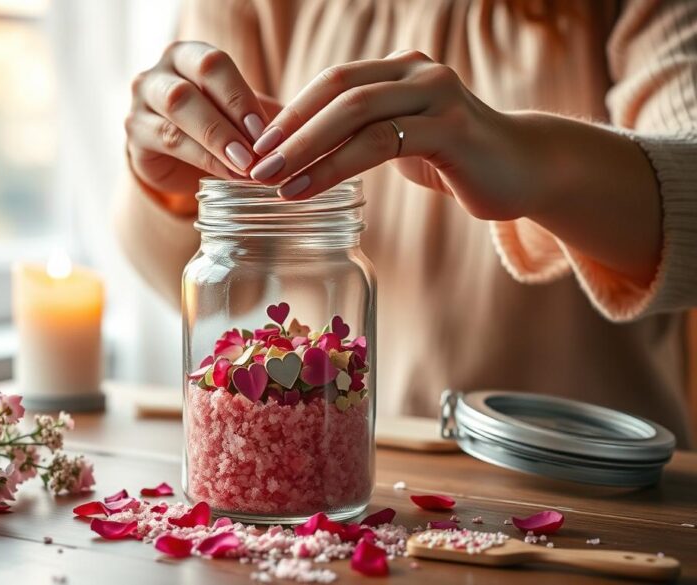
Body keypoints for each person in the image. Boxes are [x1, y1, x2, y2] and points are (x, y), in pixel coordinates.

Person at [115, 0, 697, 447]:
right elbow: (200, 282)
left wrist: (533, 158)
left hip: (595, 471)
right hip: (334, 467)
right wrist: (176, 187)